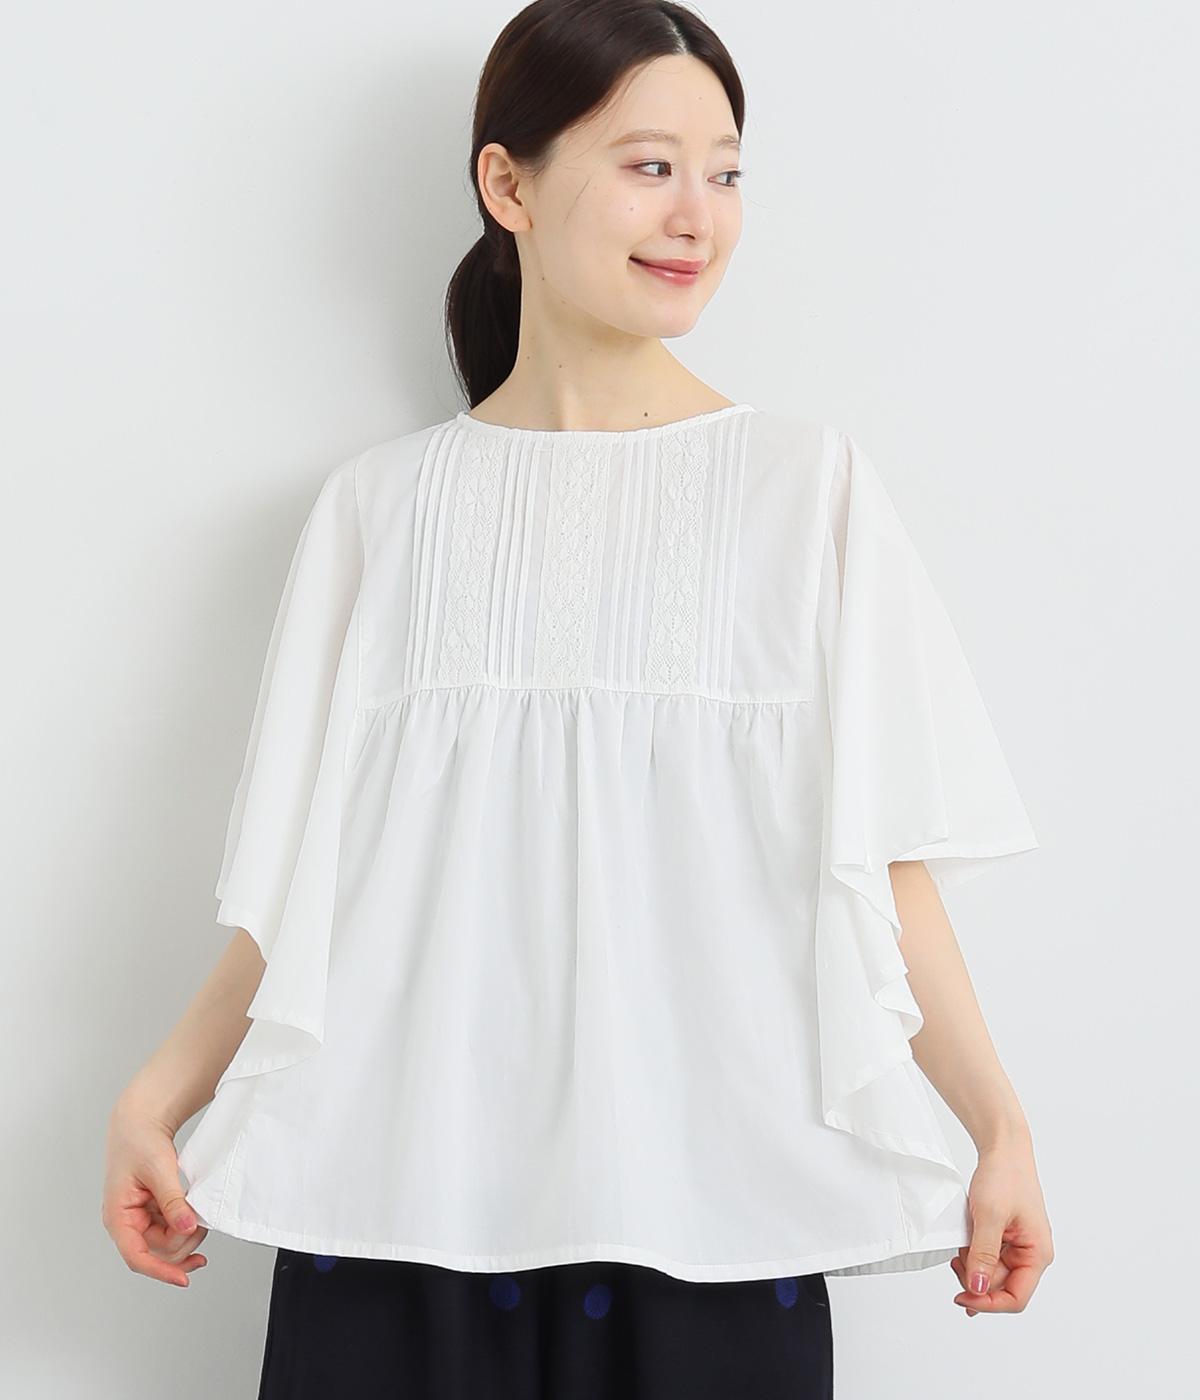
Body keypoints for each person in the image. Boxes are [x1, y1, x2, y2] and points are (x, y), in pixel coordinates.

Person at [102, 0, 1055, 1394]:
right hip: (398, 1210)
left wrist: (999, 1129)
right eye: (650, 164)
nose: (697, 216)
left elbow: (881, 864)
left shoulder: (807, 492)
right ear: (509, 184)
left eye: (725, 172)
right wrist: (157, 1094)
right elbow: (311, 889)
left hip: (714, 1220)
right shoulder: (381, 510)